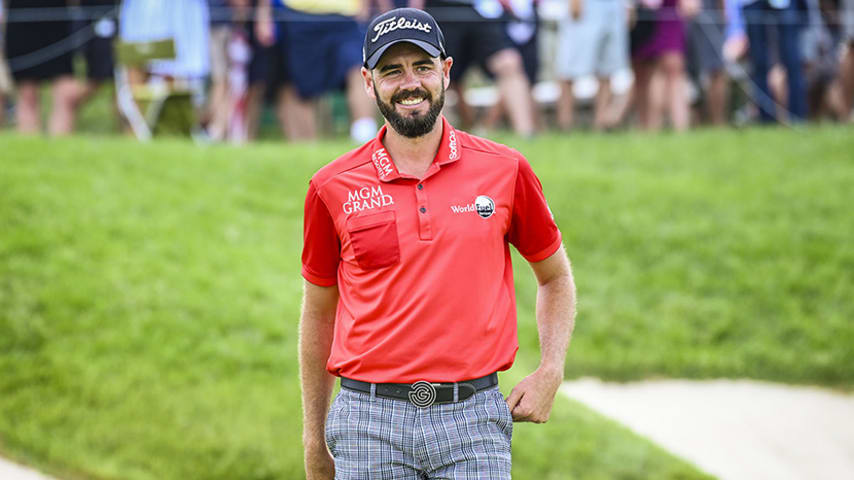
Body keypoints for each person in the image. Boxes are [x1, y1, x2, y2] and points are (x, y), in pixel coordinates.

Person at [300, 8, 576, 479]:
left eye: (422, 67)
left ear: (446, 71)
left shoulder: (505, 170)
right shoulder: (331, 186)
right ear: (368, 82)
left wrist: (551, 368)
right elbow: (319, 312)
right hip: (368, 422)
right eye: (392, 71)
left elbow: (555, 278)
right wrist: (313, 437)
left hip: (474, 419)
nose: (410, 83)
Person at [416, 0, 537, 136]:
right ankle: (440, 138)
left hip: (481, 10)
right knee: (438, 72)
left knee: (508, 63)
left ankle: (526, 135)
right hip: (439, 10)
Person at [5, 0, 79, 135]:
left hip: (58, 21)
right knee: (27, 93)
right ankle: (28, 148)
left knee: (64, 92)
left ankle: (61, 147)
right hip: (21, 21)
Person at [556, 0, 630, 131]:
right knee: (569, 69)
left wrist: (628, 5)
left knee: (607, 70)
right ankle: (565, 125)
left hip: (614, 7)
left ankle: (600, 126)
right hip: (585, 7)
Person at [740, 0, 808, 123]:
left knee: (792, 60)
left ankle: (797, 117)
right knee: (759, 63)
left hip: (785, 3)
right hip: (752, 3)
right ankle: (765, 119)